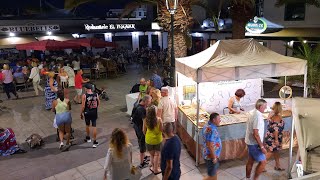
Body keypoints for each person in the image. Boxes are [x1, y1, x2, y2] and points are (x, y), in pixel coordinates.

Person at [245, 99, 268, 180]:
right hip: (254, 143)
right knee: (263, 162)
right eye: (265, 106)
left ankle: (247, 178)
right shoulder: (257, 116)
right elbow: (256, 133)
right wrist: (261, 146)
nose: (266, 108)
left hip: (249, 141)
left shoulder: (252, 112)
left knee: (250, 160)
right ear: (260, 106)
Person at [132, 95, 152, 168]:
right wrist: (144, 131)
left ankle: (144, 156)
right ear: (146, 101)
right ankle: (142, 163)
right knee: (142, 143)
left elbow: (132, 116)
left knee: (140, 142)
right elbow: (144, 122)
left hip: (136, 125)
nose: (150, 103)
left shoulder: (137, 105)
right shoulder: (141, 109)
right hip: (140, 128)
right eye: (149, 101)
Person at [264, 102, 285, 171]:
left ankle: (277, 165)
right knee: (270, 152)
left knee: (276, 151)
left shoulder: (271, 114)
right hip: (274, 137)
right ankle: (261, 166)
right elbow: (275, 130)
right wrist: (276, 140)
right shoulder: (277, 117)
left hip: (269, 135)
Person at [143, 105, 163, 175]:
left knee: (151, 155)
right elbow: (161, 130)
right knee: (157, 155)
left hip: (148, 140)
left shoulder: (145, 120)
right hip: (158, 140)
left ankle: (153, 167)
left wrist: (148, 136)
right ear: (155, 112)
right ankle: (156, 169)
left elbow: (144, 131)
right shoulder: (159, 120)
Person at [202, 113, 222, 180]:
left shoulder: (207, 125)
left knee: (214, 173)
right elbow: (210, 145)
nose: (220, 120)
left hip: (210, 154)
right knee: (211, 176)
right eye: (219, 119)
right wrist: (214, 158)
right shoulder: (212, 130)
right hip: (211, 156)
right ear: (214, 120)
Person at [81, 83, 100, 148]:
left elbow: (83, 106)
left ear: (86, 89)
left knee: (87, 125)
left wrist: (81, 113)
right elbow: (98, 103)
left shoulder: (84, 95)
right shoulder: (96, 94)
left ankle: (88, 138)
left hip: (87, 112)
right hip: (94, 112)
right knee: (94, 126)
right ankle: (94, 142)